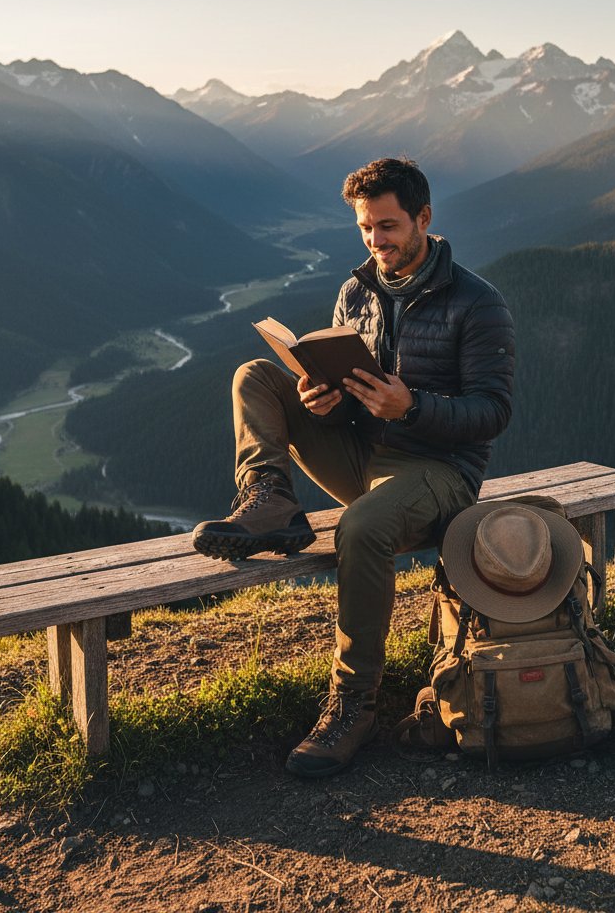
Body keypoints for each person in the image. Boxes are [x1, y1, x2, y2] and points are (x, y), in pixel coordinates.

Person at [192, 157, 515, 777]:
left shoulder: (477, 303)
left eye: (388, 226)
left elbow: (493, 411)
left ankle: (354, 705)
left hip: (437, 471)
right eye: (366, 227)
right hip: (364, 455)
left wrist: (412, 405)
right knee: (256, 376)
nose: (376, 241)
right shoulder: (357, 290)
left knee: (360, 526)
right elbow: (344, 397)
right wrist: (325, 399)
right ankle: (269, 499)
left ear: (424, 218)